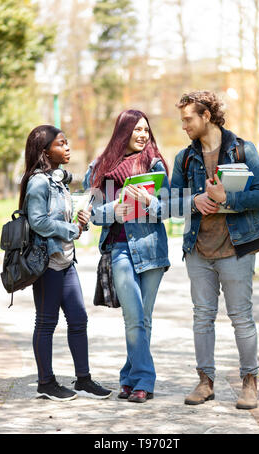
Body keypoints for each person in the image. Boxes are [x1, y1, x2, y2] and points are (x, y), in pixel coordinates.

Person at [171, 91, 259, 409]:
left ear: (207, 116)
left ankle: (249, 383)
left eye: (188, 119)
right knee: (202, 317)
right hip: (198, 250)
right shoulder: (184, 159)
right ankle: (205, 382)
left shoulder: (242, 150)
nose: (184, 125)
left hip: (237, 249)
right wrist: (193, 201)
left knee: (241, 318)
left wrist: (226, 199)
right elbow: (170, 202)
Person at [19, 125, 112, 401]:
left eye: (67, 142)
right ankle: (45, 382)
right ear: (45, 150)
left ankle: (83, 380)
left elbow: (58, 219)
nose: (68, 147)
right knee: (46, 322)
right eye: (61, 143)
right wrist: (70, 230)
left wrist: (77, 222)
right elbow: (38, 222)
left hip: (65, 259)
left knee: (78, 319)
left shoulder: (57, 181)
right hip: (46, 262)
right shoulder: (38, 182)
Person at [83, 110, 170, 403]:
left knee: (143, 318)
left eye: (146, 130)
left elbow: (170, 209)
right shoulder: (100, 167)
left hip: (151, 249)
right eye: (137, 130)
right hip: (119, 249)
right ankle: (144, 379)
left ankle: (131, 377)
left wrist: (150, 201)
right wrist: (112, 212)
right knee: (133, 317)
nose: (143, 135)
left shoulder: (154, 164)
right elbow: (91, 213)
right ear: (124, 131)